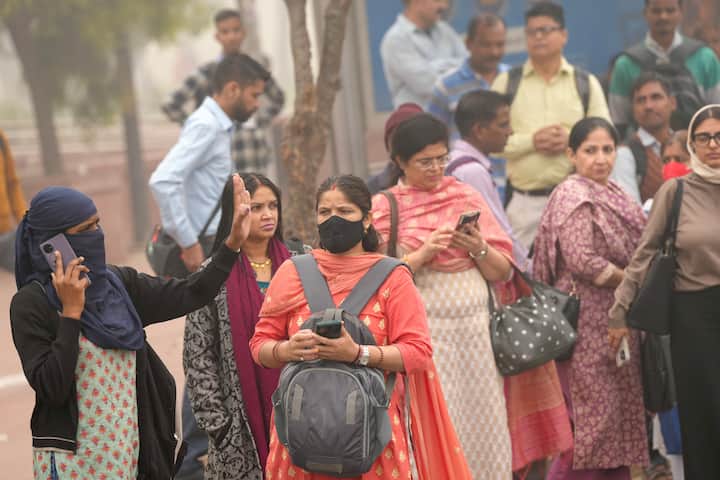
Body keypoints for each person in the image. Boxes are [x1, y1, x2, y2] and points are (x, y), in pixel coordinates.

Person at [10, 175, 252, 480]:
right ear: (52, 243)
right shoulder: (32, 303)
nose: (96, 235)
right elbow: (52, 387)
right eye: (85, 230)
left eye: (97, 225)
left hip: (130, 455)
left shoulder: (118, 285)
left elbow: (192, 292)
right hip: (72, 464)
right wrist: (71, 313)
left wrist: (230, 246)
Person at [250, 174, 474, 479]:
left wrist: (357, 353)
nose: (333, 220)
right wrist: (285, 349)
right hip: (300, 438)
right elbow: (259, 344)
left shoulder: (392, 278)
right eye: (325, 213)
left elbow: (418, 352)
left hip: (371, 440)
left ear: (367, 219)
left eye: (345, 212)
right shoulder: (293, 272)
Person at [371, 112, 516, 477]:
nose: (436, 168)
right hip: (424, 335)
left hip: (476, 334)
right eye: (425, 161)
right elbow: (374, 280)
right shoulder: (385, 208)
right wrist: (422, 255)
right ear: (400, 162)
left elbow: (504, 270)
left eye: (441, 158)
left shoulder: (465, 195)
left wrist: (479, 247)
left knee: (485, 420)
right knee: (436, 420)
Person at [533, 117, 649, 479]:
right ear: (571, 154)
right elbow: (582, 260)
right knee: (590, 424)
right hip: (585, 326)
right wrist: (630, 279)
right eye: (590, 150)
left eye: (608, 149)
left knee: (616, 420)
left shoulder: (613, 191)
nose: (600, 158)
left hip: (616, 320)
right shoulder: (574, 194)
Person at [609, 104, 720, 478]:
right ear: (691, 143)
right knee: (703, 415)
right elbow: (645, 254)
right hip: (694, 318)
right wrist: (619, 310)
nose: (713, 145)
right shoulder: (676, 191)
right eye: (703, 137)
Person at [184, 173, 289, 479]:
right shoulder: (212, 275)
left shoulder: (301, 265)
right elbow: (198, 355)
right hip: (238, 426)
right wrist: (219, 426)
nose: (268, 214)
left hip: (300, 413)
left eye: (273, 205)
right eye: (256, 208)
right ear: (235, 214)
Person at [492, 1, 610, 249]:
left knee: (581, 270)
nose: (538, 37)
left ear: (564, 35)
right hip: (524, 204)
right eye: (532, 31)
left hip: (579, 198)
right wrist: (532, 141)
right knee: (525, 278)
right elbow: (490, 143)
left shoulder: (585, 83)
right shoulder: (506, 83)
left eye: (546, 30)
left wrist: (571, 140)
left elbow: (606, 141)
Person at [150, 53, 270, 277]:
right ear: (233, 89)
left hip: (216, 241)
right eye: (254, 95)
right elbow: (163, 180)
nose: (257, 104)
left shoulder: (217, 125)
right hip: (207, 246)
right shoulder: (207, 126)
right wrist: (189, 243)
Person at [162, 9, 285, 174]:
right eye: (225, 32)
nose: (231, 36)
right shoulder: (208, 73)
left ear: (243, 33)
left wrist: (260, 120)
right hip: (219, 163)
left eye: (235, 30)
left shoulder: (254, 69)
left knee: (258, 198)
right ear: (217, 37)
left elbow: (278, 98)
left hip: (254, 157)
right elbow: (171, 104)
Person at [608, 0, 720, 133]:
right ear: (645, 14)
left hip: (697, 146)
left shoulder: (704, 58)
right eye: (656, 11)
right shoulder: (626, 64)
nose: (663, 16)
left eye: (670, 10)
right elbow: (619, 122)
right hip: (642, 151)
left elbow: (716, 112)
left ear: (681, 13)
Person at [447, 89, 528, 269]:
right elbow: (498, 228)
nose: (510, 131)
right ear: (479, 130)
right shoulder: (472, 171)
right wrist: (526, 267)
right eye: (503, 125)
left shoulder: (455, 160)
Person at [427, 13, 510, 142]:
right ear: (468, 44)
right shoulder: (446, 86)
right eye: (486, 45)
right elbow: (432, 136)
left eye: (500, 44)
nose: (494, 52)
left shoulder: (515, 79)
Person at [380, 0, 465, 107]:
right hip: (418, 120)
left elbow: (471, 66)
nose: (444, 6)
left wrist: (434, 66)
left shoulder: (445, 30)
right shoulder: (396, 39)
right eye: (437, 0)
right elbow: (428, 85)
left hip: (451, 120)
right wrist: (454, 67)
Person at [611, 72, 676, 204]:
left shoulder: (688, 145)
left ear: (672, 103)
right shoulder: (624, 154)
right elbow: (631, 211)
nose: (648, 106)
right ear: (633, 109)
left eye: (656, 97)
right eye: (641, 100)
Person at [366, 102, 424, 195]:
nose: (402, 147)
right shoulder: (371, 189)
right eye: (395, 140)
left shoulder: (447, 185)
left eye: (410, 139)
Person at [0, 128, 27, 271]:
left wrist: (25, 221)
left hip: (5, 234)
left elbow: (12, 183)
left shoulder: (0, 137)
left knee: (29, 278)